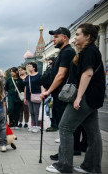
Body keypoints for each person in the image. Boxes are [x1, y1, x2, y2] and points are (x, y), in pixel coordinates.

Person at [46, 23, 104, 174]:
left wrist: (78, 97)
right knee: (93, 133)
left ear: (88, 36)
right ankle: (91, 166)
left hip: (85, 97)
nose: (75, 36)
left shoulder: (89, 51)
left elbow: (87, 74)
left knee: (65, 128)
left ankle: (64, 166)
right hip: (92, 98)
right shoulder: (88, 50)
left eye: (78, 34)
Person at [40, 27, 76, 161]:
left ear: (65, 37)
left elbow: (61, 75)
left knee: (64, 127)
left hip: (63, 95)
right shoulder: (62, 52)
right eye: (53, 37)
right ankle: (69, 150)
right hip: (59, 95)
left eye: (56, 37)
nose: (53, 39)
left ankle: (65, 155)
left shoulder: (67, 52)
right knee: (63, 125)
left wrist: (48, 91)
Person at [24, 62, 42, 133]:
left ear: (34, 67)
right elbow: (25, 87)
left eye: (30, 66)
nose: (28, 68)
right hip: (29, 96)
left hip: (36, 95)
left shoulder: (39, 76)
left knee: (36, 111)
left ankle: (38, 126)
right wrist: (25, 97)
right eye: (28, 66)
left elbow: (42, 85)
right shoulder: (27, 77)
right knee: (31, 111)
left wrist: (42, 94)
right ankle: (33, 125)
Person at [42, 57, 57, 132]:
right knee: (49, 109)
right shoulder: (48, 70)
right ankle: (53, 125)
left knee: (53, 109)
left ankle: (55, 125)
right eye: (49, 63)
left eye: (51, 63)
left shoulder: (55, 70)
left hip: (55, 92)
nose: (49, 64)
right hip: (49, 91)